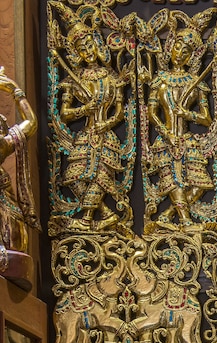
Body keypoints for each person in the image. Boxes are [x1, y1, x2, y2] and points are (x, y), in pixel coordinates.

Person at [59, 18, 126, 229]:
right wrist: (83, 110)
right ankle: (106, 213)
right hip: (86, 133)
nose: (87, 52)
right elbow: (64, 114)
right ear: (76, 53)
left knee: (101, 176)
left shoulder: (111, 77)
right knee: (72, 177)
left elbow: (120, 113)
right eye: (82, 49)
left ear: (97, 44)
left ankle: (87, 219)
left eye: (89, 46)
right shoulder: (74, 79)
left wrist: (107, 124)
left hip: (105, 133)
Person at [146, 26, 216, 226]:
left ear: (191, 57)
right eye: (177, 48)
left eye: (186, 52)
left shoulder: (196, 83)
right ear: (171, 48)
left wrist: (187, 114)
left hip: (186, 139)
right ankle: (185, 220)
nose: (179, 54)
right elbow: (152, 113)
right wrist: (165, 133)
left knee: (201, 183)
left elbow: (207, 119)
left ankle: (169, 213)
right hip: (167, 138)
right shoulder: (160, 81)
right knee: (173, 181)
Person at [0, 68, 38, 253]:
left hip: (4, 200)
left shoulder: (3, 144)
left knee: (16, 244)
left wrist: (14, 90)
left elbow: (31, 123)